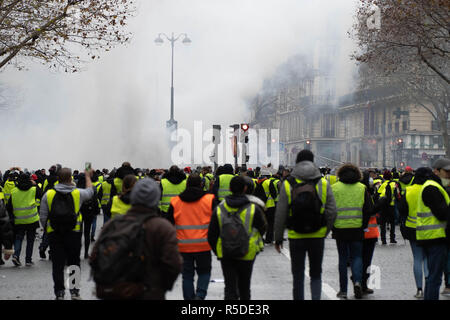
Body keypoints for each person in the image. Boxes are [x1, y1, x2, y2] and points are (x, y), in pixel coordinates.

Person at [274, 149, 337, 300]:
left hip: (296, 235)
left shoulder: (288, 183)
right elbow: (332, 211)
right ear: (313, 162)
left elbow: (281, 213)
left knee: (298, 275)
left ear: (297, 162)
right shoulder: (323, 182)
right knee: (316, 273)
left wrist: (278, 238)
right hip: (317, 235)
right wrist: (325, 231)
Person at [39, 167, 95, 300]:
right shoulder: (77, 193)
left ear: (58, 179)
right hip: (74, 233)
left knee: (57, 264)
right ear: (71, 178)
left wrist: (48, 230)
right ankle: (74, 291)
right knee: (74, 262)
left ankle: (59, 292)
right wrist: (87, 176)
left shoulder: (49, 194)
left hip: (55, 233)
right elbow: (90, 192)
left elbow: (43, 216)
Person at [208, 176, 267, 300]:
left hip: (226, 252)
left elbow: (212, 235)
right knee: (245, 287)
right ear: (245, 188)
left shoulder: (220, 209)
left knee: (230, 287)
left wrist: (218, 251)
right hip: (247, 252)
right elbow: (262, 227)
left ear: (229, 188)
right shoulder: (253, 208)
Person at [123, 178, 182, 299]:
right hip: (151, 292)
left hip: (120, 290)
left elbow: (96, 258)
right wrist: (161, 287)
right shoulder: (162, 227)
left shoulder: (114, 224)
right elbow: (174, 263)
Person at [168, 174, 218, 300]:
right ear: (201, 184)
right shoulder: (209, 199)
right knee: (204, 272)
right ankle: (200, 296)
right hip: (203, 244)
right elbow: (217, 221)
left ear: (186, 184)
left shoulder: (175, 202)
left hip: (183, 246)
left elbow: (168, 223)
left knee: (187, 275)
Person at [331, 163, 372, 299]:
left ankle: (343, 290)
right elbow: (368, 209)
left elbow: (329, 210)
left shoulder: (334, 188)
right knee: (357, 257)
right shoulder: (362, 188)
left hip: (340, 229)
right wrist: (363, 225)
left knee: (343, 259)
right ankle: (358, 281)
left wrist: (332, 226)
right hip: (357, 228)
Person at [416, 158, 450, 300]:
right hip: (435, 236)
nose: (448, 175)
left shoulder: (434, 186)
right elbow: (442, 213)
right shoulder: (432, 188)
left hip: (433, 236)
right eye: (446, 172)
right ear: (436, 171)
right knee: (435, 278)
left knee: (433, 277)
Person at [398, 167, 431, 299]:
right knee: (427, 259)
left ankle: (419, 289)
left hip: (412, 228)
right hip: (429, 228)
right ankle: (429, 287)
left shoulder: (409, 190)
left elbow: (402, 209)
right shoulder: (430, 189)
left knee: (417, 259)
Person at [7, 173, 42, 267]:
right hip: (32, 219)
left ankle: (16, 255)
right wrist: (34, 184)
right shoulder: (33, 189)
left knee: (18, 238)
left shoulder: (14, 191)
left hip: (19, 220)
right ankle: (28, 260)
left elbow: (9, 207)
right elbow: (41, 195)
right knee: (30, 240)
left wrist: (12, 217)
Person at [377, 170, 400, 244]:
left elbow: (378, 194)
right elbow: (397, 195)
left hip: (383, 206)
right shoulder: (394, 184)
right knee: (392, 223)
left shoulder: (383, 184)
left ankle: (383, 239)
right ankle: (392, 238)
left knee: (382, 223)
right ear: (391, 176)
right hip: (391, 206)